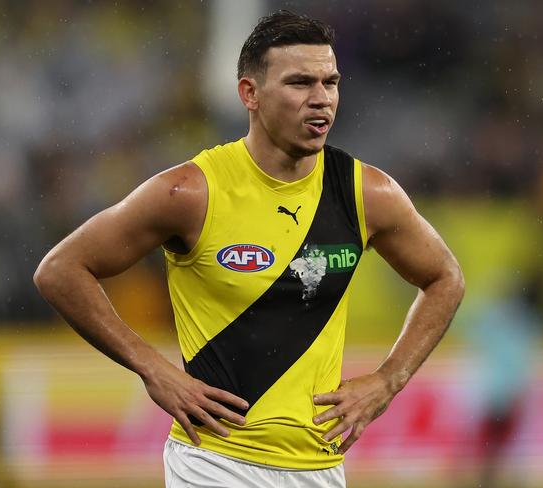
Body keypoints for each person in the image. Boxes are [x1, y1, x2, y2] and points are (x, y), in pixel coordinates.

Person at [34, 11, 464, 488]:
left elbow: (445, 278)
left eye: (331, 82)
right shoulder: (191, 193)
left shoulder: (366, 194)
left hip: (319, 467)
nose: (321, 99)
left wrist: (388, 381)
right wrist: (151, 367)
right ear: (250, 94)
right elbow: (60, 270)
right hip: (214, 462)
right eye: (300, 83)